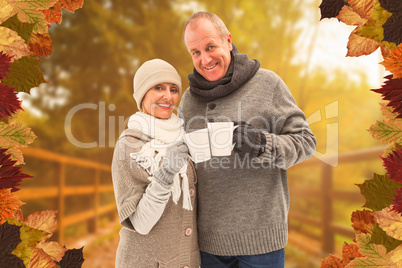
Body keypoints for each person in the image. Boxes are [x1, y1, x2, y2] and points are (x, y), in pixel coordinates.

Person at [179, 11, 317, 267]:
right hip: (208, 244)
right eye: (195, 52)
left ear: (228, 41)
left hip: (261, 242)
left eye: (210, 47)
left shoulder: (267, 84)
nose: (204, 59)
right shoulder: (188, 100)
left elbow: (307, 141)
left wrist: (263, 143)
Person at [111, 59, 200, 267]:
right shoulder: (129, 146)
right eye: (158, 87)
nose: (167, 96)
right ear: (142, 94)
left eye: (173, 89)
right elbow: (141, 224)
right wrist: (166, 172)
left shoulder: (183, 137)